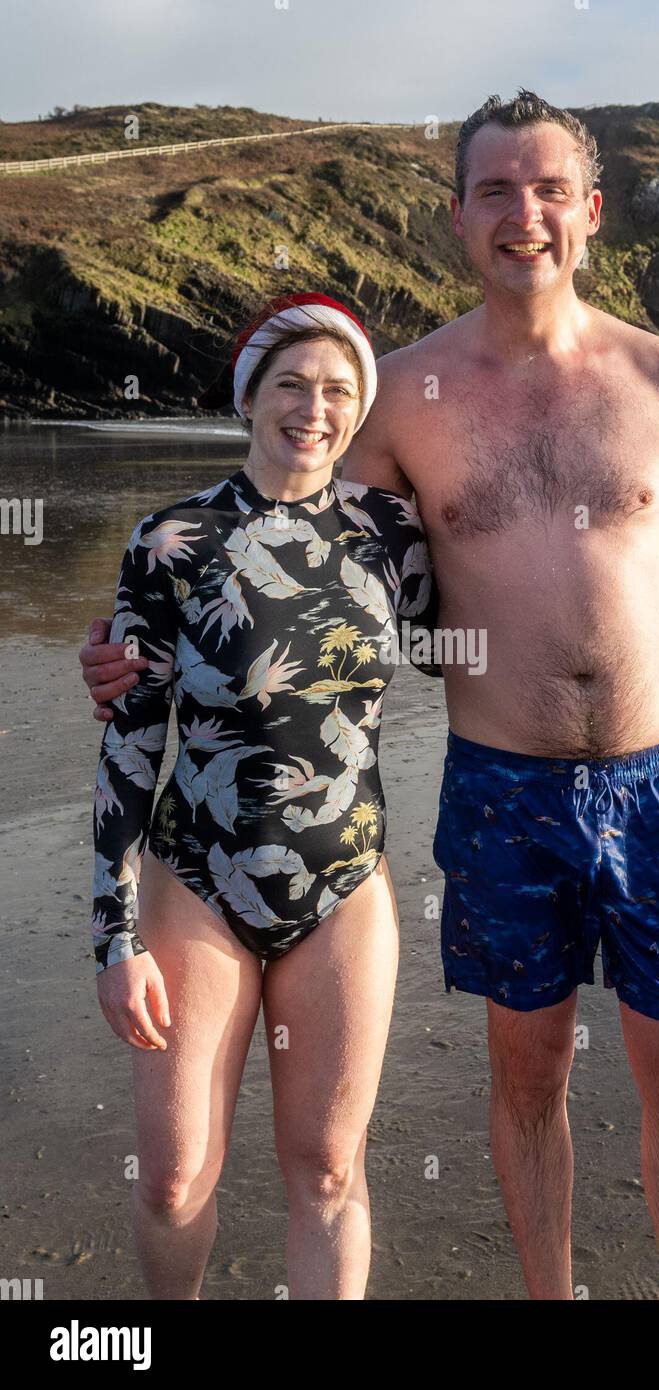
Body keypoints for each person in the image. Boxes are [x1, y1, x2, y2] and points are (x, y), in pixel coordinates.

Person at [83, 89, 659, 1302]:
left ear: (590, 211)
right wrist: (138, 629)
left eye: (549, 188)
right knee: (529, 1076)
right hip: (503, 786)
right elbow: (281, 509)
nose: (525, 214)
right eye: (496, 191)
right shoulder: (399, 395)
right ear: (456, 218)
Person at [82, 290, 438, 1300]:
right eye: (290, 383)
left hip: (343, 882)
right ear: (248, 397)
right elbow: (130, 740)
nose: (312, 408)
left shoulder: (391, 535)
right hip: (195, 876)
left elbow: (480, 646)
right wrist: (113, 935)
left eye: (336, 390)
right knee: (172, 1173)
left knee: (327, 1168)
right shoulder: (171, 540)